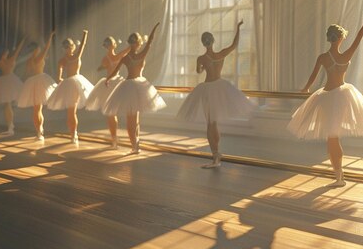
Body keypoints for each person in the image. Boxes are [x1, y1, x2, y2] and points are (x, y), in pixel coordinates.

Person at [288, 10, 363, 187]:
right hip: (342, 96)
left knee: (332, 138)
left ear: (329, 38)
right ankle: (339, 175)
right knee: (334, 137)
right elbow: (359, 37)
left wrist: (306, 88)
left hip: (327, 97)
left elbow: (312, 78)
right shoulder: (346, 55)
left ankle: (339, 176)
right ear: (339, 39)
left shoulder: (323, 57)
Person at [177, 20, 254, 168]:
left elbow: (198, 72)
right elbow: (234, 45)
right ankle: (217, 154)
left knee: (210, 124)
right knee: (214, 123)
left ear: (203, 43)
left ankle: (215, 155)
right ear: (213, 41)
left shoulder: (201, 58)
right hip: (218, 87)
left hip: (207, 89)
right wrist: (238, 28)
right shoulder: (220, 54)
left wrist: (201, 67)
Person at [103, 23, 166, 154]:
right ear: (137, 43)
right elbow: (150, 42)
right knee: (134, 119)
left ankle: (135, 145)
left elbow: (115, 71)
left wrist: (108, 79)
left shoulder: (126, 57)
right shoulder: (140, 54)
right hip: (136, 86)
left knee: (132, 119)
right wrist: (154, 29)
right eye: (138, 42)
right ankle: (135, 145)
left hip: (130, 86)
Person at [47, 30, 94, 143]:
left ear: (73, 47)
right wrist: (63, 81)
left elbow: (82, 45)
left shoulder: (75, 55)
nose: (69, 48)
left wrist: (85, 35)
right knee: (71, 111)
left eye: (71, 46)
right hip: (71, 83)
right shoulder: (63, 60)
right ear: (65, 48)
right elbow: (58, 77)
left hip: (76, 82)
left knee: (72, 111)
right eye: (67, 47)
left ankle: (74, 134)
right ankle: (73, 134)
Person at [86, 36, 130, 148]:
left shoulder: (105, 58)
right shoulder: (117, 55)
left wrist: (101, 67)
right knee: (117, 112)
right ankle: (119, 139)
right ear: (114, 45)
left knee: (110, 114)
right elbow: (126, 51)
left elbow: (102, 66)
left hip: (109, 83)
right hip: (115, 83)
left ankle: (114, 138)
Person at [17, 31, 57, 141]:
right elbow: (47, 48)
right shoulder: (39, 58)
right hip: (39, 81)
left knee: (36, 110)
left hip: (32, 82)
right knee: (38, 109)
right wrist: (50, 36)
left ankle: (39, 131)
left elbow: (26, 73)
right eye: (38, 48)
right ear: (35, 50)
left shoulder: (29, 61)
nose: (39, 49)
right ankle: (40, 132)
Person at [0, 39, 25, 135]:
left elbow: (18, 50)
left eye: (6, 53)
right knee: (7, 105)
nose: (5, 54)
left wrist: (22, 41)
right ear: (1, 54)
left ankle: (10, 125)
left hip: (11, 81)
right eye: (4, 53)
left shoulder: (11, 59)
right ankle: (10, 125)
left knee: (8, 105)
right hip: (3, 82)